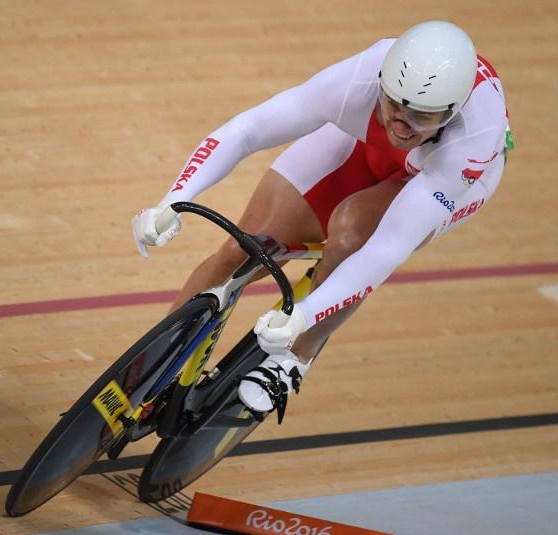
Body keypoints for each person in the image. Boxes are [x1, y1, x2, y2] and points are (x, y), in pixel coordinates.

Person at [133, 21, 511, 421]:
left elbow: (387, 249)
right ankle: (149, 367)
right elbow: (247, 130)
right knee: (242, 248)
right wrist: (172, 200)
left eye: (420, 116)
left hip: (441, 177)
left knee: (351, 234)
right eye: (394, 106)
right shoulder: (360, 79)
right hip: (364, 146)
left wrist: (303, 316)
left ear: (451, 111)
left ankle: (296, 356)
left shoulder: (472, 138)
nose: (401, 124)